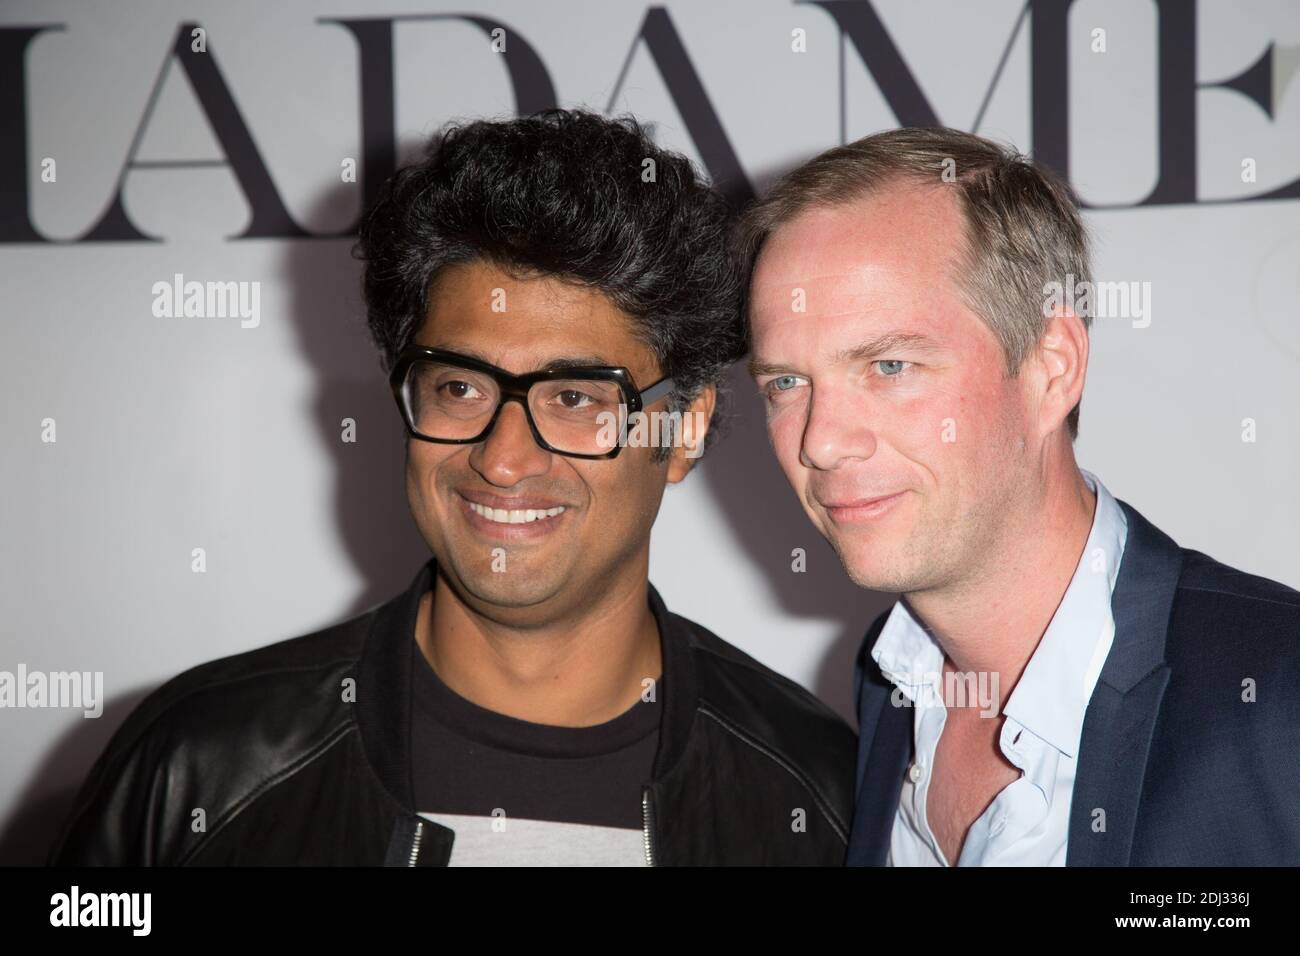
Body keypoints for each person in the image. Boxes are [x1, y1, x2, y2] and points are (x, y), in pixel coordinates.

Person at [49, 109, 856, 867]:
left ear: (680, 430)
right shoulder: (203, 764)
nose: (502, 461)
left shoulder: (820, 797)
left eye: (574, 399)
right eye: (460, 390)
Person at [735, 126, 1300, 866]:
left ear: (1051, 369)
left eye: (891, 365)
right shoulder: (888, 684)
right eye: (786, 383)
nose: (821, 441)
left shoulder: (1277, 697)